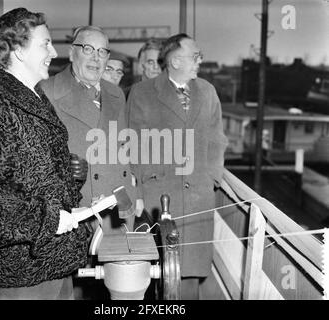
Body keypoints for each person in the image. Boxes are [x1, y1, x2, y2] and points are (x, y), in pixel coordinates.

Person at [0, 8, 88, 300]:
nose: (54, 51)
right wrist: (46, 219)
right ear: (18, 50)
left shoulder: (32, 97)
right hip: (18, 273)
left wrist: (71, 177)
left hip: (50, 263)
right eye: (45, 43)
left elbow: (26, 175)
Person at [127, 33, 228, 299]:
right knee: (155, 279)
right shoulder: (143, 92)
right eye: (194, 56)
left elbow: (217, 139)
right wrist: (138, 192)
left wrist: (212, 178)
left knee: (189, 280)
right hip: (157, 200)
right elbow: (132, 146)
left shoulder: (207, 91)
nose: (199, 62)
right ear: (173, 61)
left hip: (197, 201)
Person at [41, 25, 141, 236]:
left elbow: (126, 151)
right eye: (88, 49)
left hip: (118, 210)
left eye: (102, 52)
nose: (96, 58)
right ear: (71, 53)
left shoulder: (116, 94)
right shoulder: (47, 92)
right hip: (77, 212)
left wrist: (135, 193)